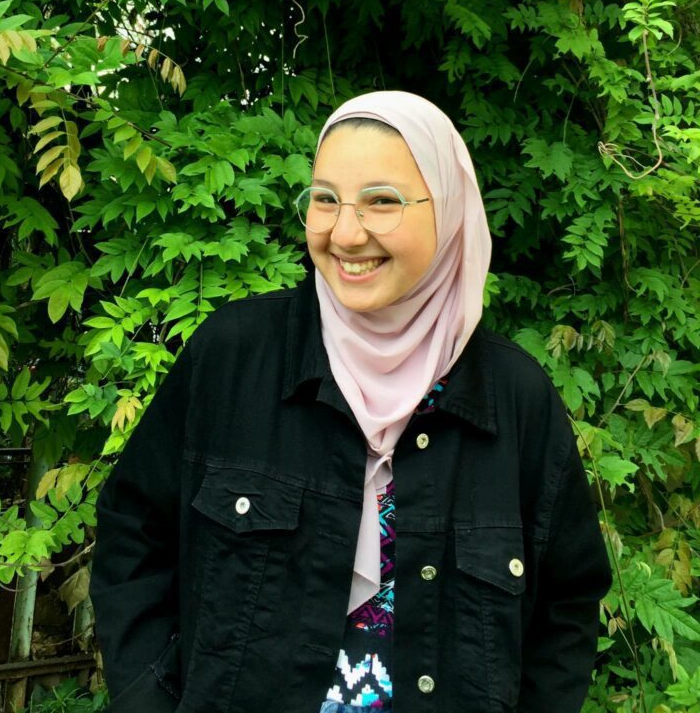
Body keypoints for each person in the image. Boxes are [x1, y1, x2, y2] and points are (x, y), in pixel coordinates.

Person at [90, 90, 612, 713]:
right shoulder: (232, 359)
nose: (345, 232)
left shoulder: (517, 402)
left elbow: (567, 607)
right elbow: (132, 539)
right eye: (325, 199)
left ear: (448, 212)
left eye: (382, 202)